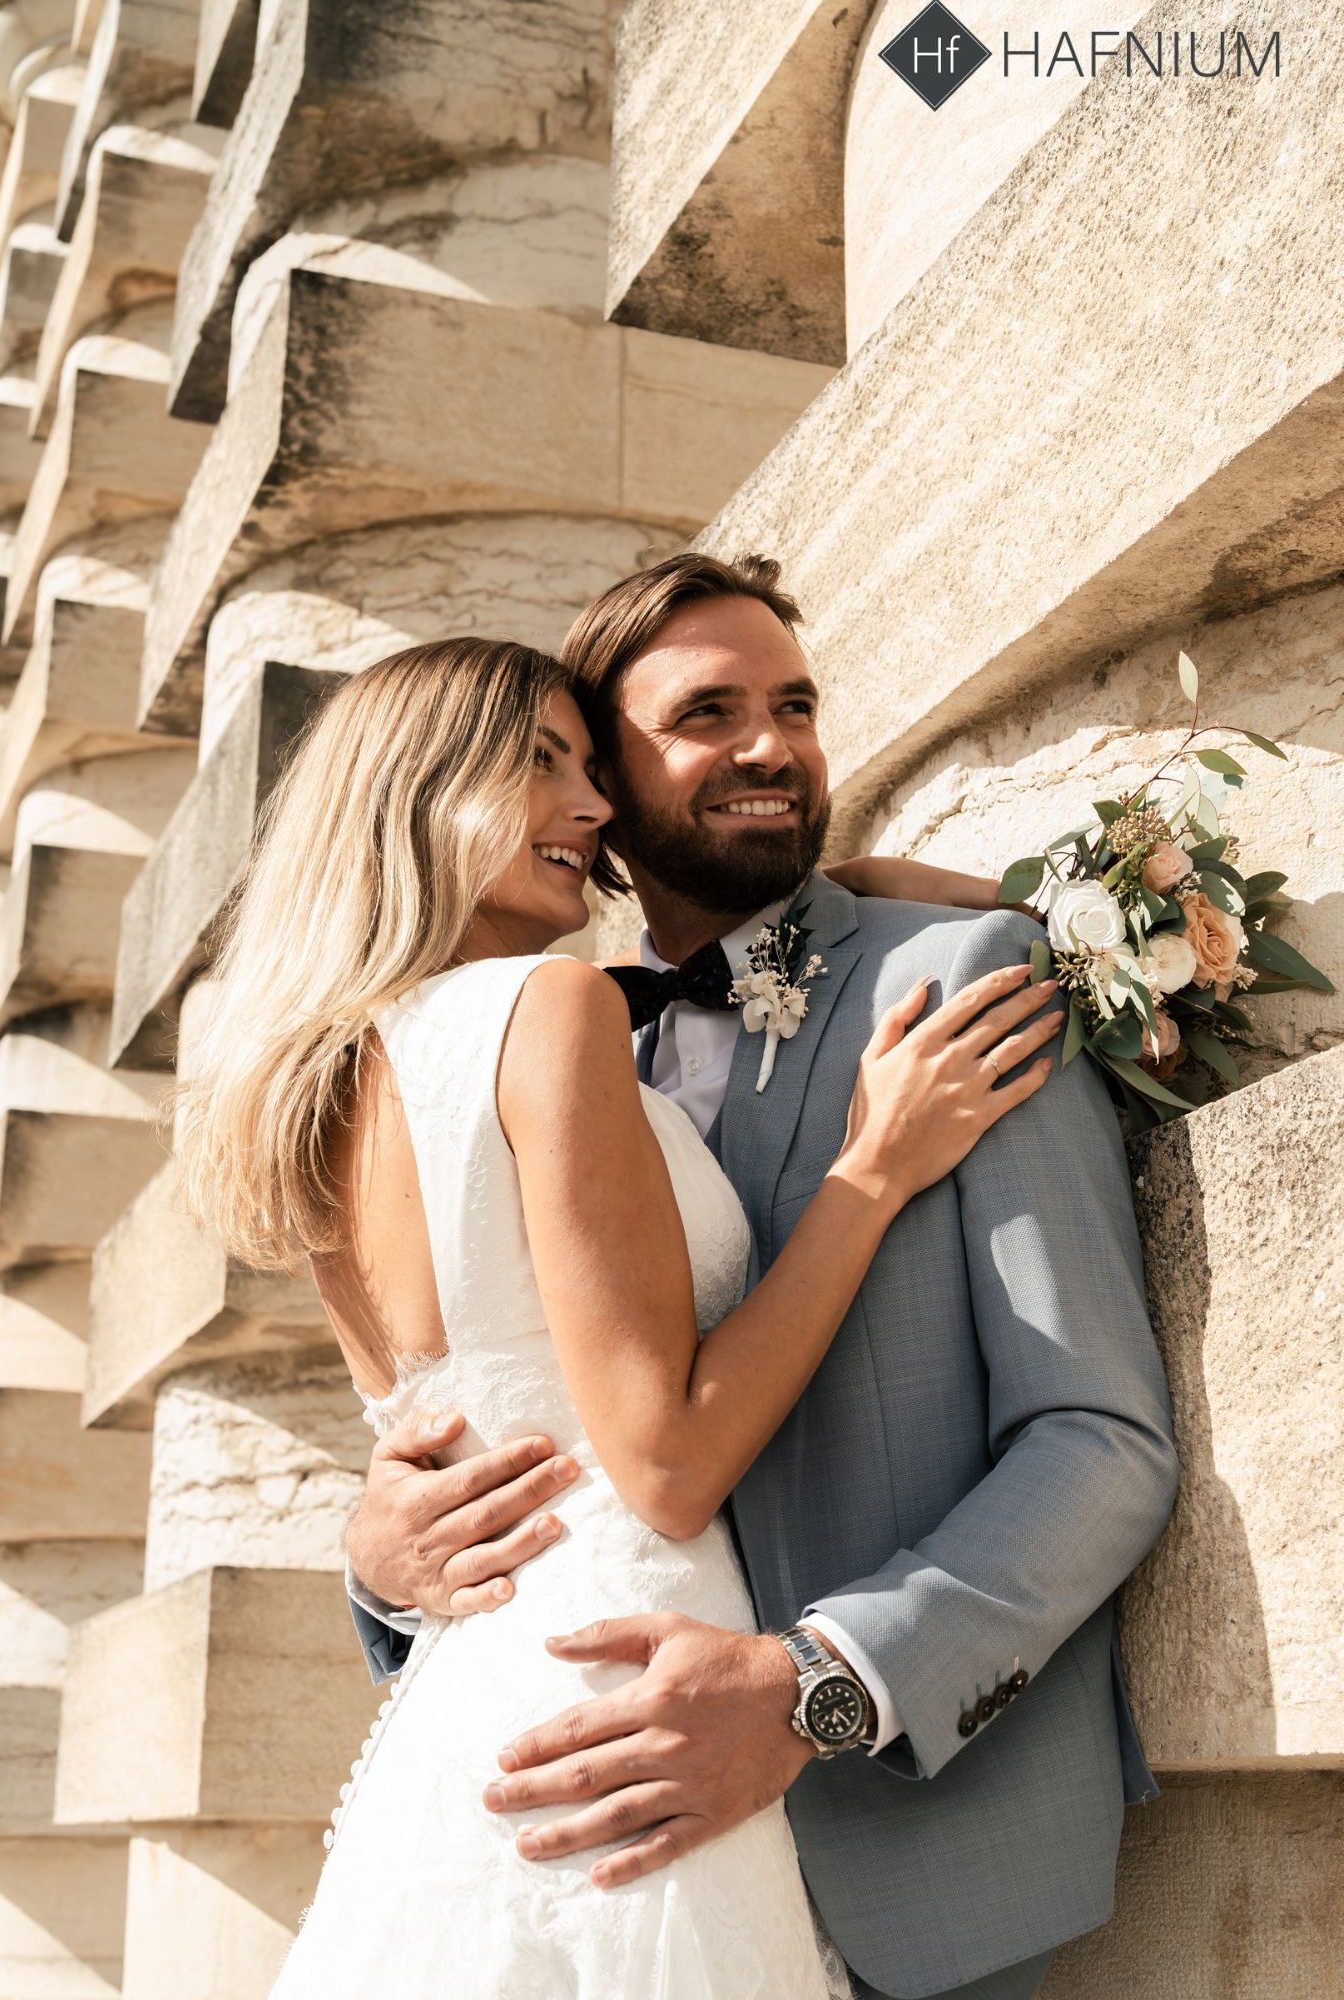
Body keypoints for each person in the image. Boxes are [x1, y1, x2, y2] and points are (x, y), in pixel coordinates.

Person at [176, 628, 1062, 1999]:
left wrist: (852, 892)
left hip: (473, 1707)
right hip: (627, 1675)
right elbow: (664, 1463)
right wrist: (868, 1174)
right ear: (418, 792)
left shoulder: (324, 1083)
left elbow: (455, 1414)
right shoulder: (548, 1006)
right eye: (536, 765)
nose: (588, 812)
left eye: (591, 767)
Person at [342, 554, 1181, 2000]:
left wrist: (816, 1690)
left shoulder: (959, 977)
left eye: (793, 705)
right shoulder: (542, 1036)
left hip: (927, 1858)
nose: (770, 746)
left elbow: (1096, 1439)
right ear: (597, 791)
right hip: (603, 1839)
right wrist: (383, 1567)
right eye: (708, 712)